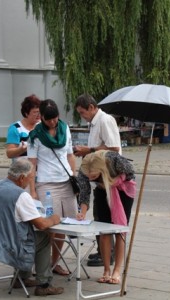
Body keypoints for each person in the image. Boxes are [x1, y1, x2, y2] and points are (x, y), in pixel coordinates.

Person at [0, 159, 64, 296]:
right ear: (22, 177)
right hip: (6, 246)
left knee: (24, 234)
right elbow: (41, 224)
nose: (31, 181)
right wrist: (54, 218)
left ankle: (21, 278)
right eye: (31, 178)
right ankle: (44, 284)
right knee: (44, 237)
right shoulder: (20, 195)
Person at [27, 99, 77, 276]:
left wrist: (73, 175)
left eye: (55, 118)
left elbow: (70, 155)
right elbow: (31, 164)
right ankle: (42, 265)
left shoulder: (65, 129)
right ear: (42, 118)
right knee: (50, 225)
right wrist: (32, 191)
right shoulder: (34, 135)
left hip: (66, 183)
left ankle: (54, 262)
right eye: (49, 120)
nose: (53, 122)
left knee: (66, 224)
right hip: (46, 184)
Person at [74, 93, 121, 267]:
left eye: (82, 112)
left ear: (92, 107)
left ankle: (108, 253)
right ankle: (103, 251)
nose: (82, 116)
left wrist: (89, 149)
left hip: (108, 177)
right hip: (97, 176)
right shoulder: (93, 123)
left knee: (105, 217)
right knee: (99, 215)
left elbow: (114, 148)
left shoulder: (104, 120)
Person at [76, 150, 136, 284]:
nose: (91, 179)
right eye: (90, 177)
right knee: (103, 230)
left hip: (122, 190)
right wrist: (82, 212)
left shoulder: (113, 159)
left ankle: (117, 271)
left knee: (120, 230)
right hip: (102, 189)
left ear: (102, 170)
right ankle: (106, 270)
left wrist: (114, 182)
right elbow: (84, 193)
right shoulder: (84, 170)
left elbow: (131, 173)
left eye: (95, 176)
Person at [6, 94, 41, 160]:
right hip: (21, 168)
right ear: (26, 113)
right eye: (35, 112)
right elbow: (9, 153)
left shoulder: (42, 126)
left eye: (40, 112)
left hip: (40, 169)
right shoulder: (15, 128)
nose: (39, 115)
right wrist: (21, 149)